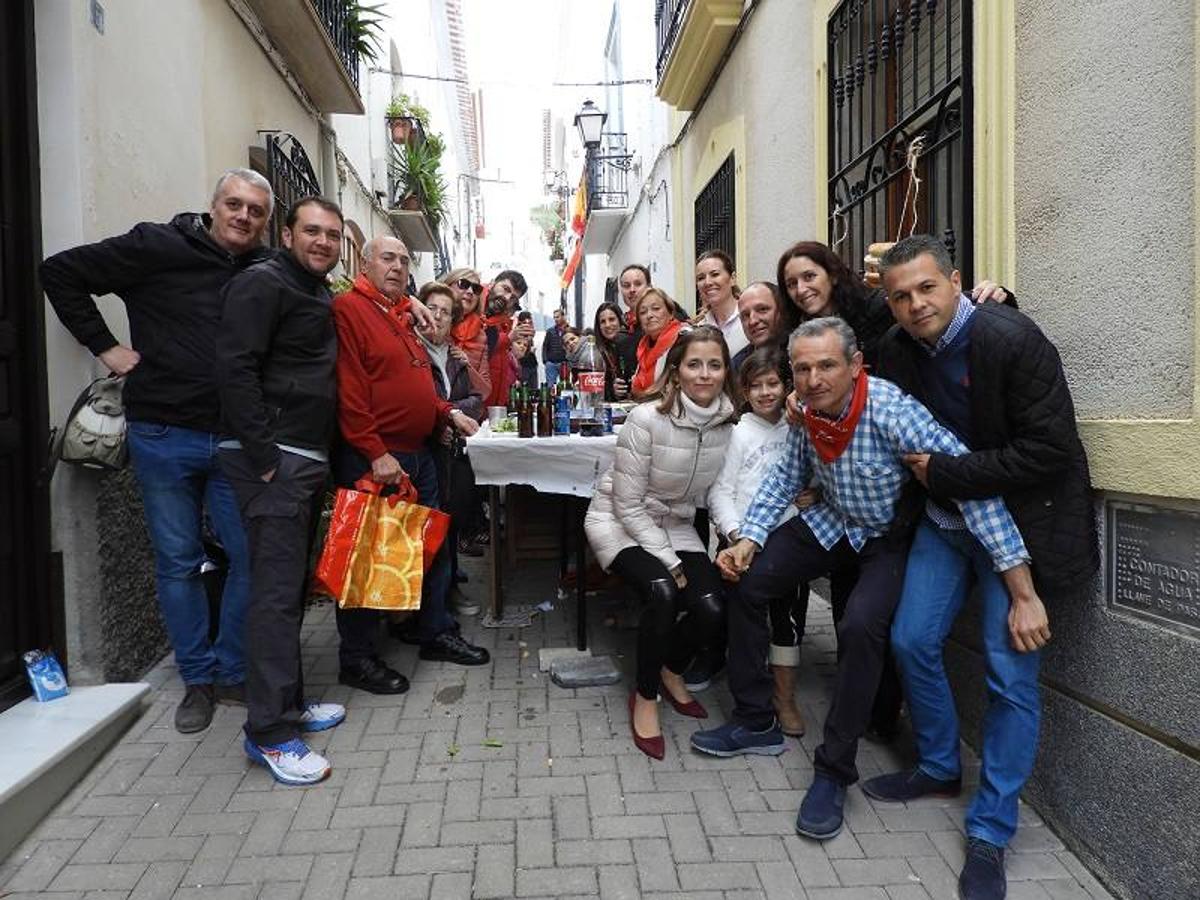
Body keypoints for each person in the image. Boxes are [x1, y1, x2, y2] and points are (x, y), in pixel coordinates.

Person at [691, 317, 1036, 844]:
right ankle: (755, 718)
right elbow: (787, 474)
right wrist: (750, 537)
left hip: (888, 539)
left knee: (859, 627)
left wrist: (1021, 586)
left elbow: (972, 486)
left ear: (855, 366)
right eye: (802, 369)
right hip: (831, 522)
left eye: (826, 365)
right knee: (748, 579)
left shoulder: (894, 411)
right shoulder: (806, 412)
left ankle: (833, 771)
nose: (813, 379)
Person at [862, 235, 1098, 900]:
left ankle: (991, 829)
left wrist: (951, 472)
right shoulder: (895, 351)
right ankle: (939, 765)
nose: (915, 304)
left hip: (1018, 529)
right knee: (911, 640)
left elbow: (1051, 450)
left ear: (956, 281)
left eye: (927, 288)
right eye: (901, 295)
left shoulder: (1011, 339)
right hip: (946, 524)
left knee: (1009, 674)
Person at [41, 168, 275, 734]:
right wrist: (106, 347)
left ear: (266, 222)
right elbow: (60, 272)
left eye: (255, 211)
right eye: (234, 204)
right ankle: (197, 679)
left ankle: (230, 669)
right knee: (177, 563)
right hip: (162, 434)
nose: (243, 216)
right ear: (213, 206)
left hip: (234, 439)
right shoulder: (159, 245)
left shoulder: (264, 270)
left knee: (250, 557)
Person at [216, 196, 349, 785]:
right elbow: (234, 368)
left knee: (289, 587)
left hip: (303, 457)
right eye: (313, 231)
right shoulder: (262, 283)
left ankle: (288, 707)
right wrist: (263, 456)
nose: (323, 242)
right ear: (287, 233)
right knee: (272, 596)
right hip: (276, 459)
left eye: (333, 235)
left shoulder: (313, 290)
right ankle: (269, 734)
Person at [329, 236, 489, 677]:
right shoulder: (351, 309)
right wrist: (375, 451)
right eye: (387, 258)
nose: (397, 267)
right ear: (364, 263)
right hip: (377, 457)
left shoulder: (398, 315)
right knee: (368, 557)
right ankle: (357, 659)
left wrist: (447, 412)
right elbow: (350, 388)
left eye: (403, 259)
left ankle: (434, 631)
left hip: (418, 453)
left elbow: (415, 382)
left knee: (430, 549)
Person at [585, 326, 738, 760]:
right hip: (617, 520)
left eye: (714, 364)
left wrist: (734, 537)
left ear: (726, 371)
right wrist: (671, 562)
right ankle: (646, 694)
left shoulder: (729, 426)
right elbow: (628, 504)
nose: (704, 374)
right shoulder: (646, 418)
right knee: (663, 590)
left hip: (675, 523)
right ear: (676, 370)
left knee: (711, 605)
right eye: (694, 364)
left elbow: (719, 493)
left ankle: (672, 670)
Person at [706, 346, 815, 736]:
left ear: (786, 386)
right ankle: (750, 693)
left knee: (786, 622)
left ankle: (784, 698)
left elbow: (819, 474)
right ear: (744, 390)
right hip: (741, 541)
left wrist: (815, 493)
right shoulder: (736, 433)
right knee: (745, 620)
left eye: (773, 383)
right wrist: (735, 535)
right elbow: (720, 491)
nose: (766, 392)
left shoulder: (799, 427)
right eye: (756, 386)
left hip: (791, 540)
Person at [776, 241, 1010, 366]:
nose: (801, 289)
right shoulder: (792, 338)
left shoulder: (876, 307)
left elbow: (944, 306)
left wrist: (996, 294)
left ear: (833, 275)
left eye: (809, 277)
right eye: (791, 283)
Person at [415, 281, 484, 618]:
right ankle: (433, 602)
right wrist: (441, 419)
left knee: (452, 520)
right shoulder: (412, 351)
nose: (438, 317)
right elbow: (415, 401)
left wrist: (451, 413)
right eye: (434, 309)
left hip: (455, 451)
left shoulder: (455, 357)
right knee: (430, 526)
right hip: (425, 451)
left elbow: (476, 400)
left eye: (446, 312)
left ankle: (448, 590)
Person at [730, 281, 797, 374]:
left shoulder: (801, 352)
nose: (752, 321)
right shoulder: (737, 366)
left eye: (762, 309)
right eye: (745, 315)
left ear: (781, 311)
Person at [482, 269, 527, 407]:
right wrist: (508, 339)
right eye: (506, 289)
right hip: (477, 402)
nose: (507, 298)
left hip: (493, 402)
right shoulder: (474, 305)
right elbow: (478, 348)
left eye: (513, 298)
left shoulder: (503, 320)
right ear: (493, 283)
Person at [630, 288, 685, 396]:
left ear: (670, 313)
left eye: (656, 308)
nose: (649, 315)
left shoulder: (684, 339)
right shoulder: (643, 347)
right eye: (643, 312)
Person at [446, 266, 491, 397]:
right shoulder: (429, 321)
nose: (470, 291)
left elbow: (485, 392)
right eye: (463, 284)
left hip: (464, 411)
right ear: (447, 287)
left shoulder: (480, 335)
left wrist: (466, 366)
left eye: (476, 289)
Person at [696, 250, 749, 360]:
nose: (707, 282)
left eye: (714, 274)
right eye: (701, 278)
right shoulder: (698, 329)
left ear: (733, 279)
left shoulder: (751, 318)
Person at [594, 301, 638, 401]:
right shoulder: (597, 352)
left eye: (612, 319)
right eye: (603, 322)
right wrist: (612, 390)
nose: (608, 325)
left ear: (620, 320)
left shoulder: (634, 344)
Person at [617, 264, 652, 336]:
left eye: (638, 284)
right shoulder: (619, 325)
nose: (632, 290)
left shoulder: (662, 320)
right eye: (626, 286)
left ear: (649, 287)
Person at [542, 308, 569, 385]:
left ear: (563, 317)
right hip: (551, 363)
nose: (555, 319)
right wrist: (545, 361)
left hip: (564, 363)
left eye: (557, 317)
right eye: (554, 317)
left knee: (564, 385)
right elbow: (545, 346)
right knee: (550, 386)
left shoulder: (569, 330)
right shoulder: (550, 331)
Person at [515, 310, 539, 390]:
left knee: (534, 388)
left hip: (532, 363)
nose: (529, 322)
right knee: (524, 389)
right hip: (523, 364)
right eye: (527, 320)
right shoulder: (517, 331)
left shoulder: (530, 332)